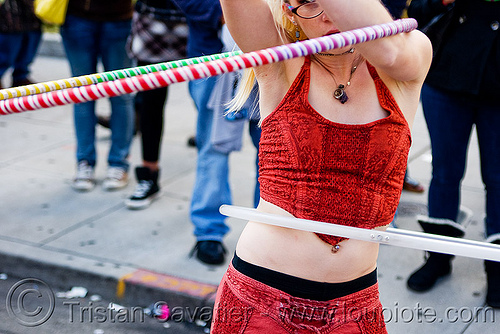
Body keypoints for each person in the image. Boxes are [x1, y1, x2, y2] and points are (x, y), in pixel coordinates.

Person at [212, 0, 432, 332]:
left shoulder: (407, 52)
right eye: (309, 2)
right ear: (289, 12)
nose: (327, 12)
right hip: (260, 298)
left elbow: (386, 52)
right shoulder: (279, 59)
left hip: (355, 305)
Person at [406, 0, 500, 309]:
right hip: (447, 78)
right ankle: (438, 256)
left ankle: (496, 266)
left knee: (499, 179)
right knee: (445, 173)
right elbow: (417, 9)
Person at [171, 0, 261, 266]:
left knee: (273, 153)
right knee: (213, 149)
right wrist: (226, 14)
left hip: (274, 58)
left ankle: (267, 231)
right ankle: (208, 231)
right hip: (214, 58)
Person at [60, 0, 135, 192]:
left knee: (120, 94)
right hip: (77, 17)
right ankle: (84, 162)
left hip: (119, 17)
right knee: (82, 96)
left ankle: (118, 163)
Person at [124, 0, 188, 209]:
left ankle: (211, 192)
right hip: (153, 22)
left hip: (198, 25)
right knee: (150, 101)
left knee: (210, 106)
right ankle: (149, 175)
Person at [0, 0, 42, 89]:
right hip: (8, 14)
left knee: (28, 46)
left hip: (31, 11)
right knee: (7, 50)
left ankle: (20, 78)